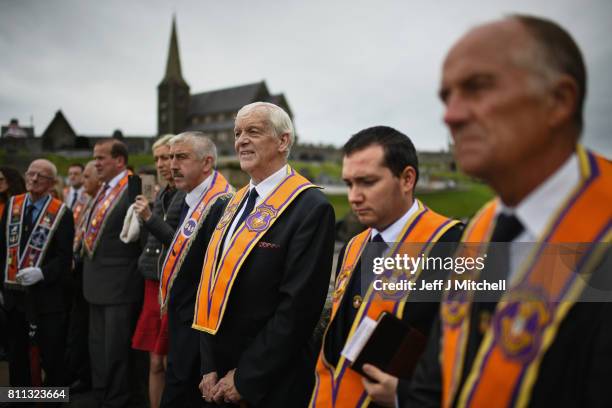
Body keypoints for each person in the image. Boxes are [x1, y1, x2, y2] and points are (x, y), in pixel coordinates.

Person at [406, 14, 612, 407]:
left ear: (559, 100)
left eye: (477, 88)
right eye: (447, 96)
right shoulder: (479, 229)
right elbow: (438, 379)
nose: (451, 115)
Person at [194, 102, 336, 407]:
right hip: (216, 374)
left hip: (267, 381)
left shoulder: (311, 208)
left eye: (253, 131)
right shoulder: (230, 203)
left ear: (283, 141)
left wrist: (246, 377)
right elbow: (211, 282)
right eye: (237, 132)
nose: (240, 139)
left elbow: (298, 309)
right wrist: (207, 364)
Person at [310, 127, 463, 407]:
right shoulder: (352, 248)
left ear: (407, 179)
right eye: (349, 184)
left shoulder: (458, 245)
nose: (354, 196)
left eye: (367, 182)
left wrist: (404, 395)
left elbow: (476, 355)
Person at [157, 132, 232, 407]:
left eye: (182, 157)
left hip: (198, 325)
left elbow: (215, 276)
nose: (173, 165)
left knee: (183, 394)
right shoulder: (190, 197)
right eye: (171, 157)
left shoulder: (220, 203)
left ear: (207, 162)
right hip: (184, 316)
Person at [0, 159, 74, 389]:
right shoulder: (13, 205)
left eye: (40, 176)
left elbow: (64, 258)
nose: (33, 179)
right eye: (30, 174)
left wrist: (42, 273)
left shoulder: (62, 213)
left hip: (46, 297)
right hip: (14, 296)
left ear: (51, 183)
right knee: (17, 356)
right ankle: (19, 401)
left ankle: (54, 401)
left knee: (52, 356)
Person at [83, 138, 146, 407]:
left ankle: (117, 398)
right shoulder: (103, 189)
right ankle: (101, 392)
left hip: (120, 284)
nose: (96, 163)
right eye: (95, 158)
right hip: (95, 281)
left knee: (116, 349)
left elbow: (141, 235)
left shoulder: (133, 186)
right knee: (98, 346)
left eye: (101, 158)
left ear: (119, 160)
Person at [130, 134, 183, 408]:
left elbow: (179, 243)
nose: (164, 164)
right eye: (159, 158)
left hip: (173, 286)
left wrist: (148, 218)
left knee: (165, 360)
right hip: (153, 282)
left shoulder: (189, 193)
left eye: (170, 157)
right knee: (154, 360)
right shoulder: (162, 192)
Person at [66, 160, 100, 393]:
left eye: (87, 177)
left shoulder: (101, 203)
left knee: (85, 332)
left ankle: (86, 379)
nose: (82, 182)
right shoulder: (82, 201)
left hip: (91, 277)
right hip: (77, 274)